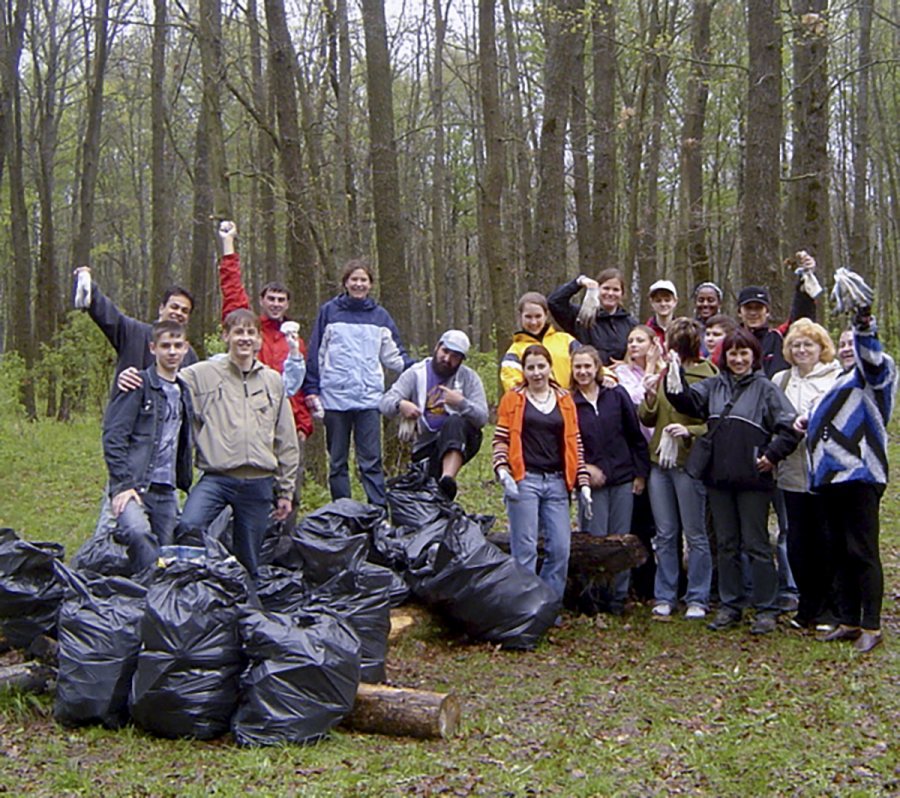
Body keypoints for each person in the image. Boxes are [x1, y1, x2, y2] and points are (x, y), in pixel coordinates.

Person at [665, 327, 801, 635]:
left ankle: (766, 607)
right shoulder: (714, 385)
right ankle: (731, 604)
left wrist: (771, 455)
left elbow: (790, 427)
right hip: (719, 479)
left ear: (754, 356)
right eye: (732, 353)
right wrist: (673, 374)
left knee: (756, 545)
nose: (738, 359)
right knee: (725, 545)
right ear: (724, 357)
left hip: (754, 480)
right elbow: (686, 402)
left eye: (743, 353)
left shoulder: (766, 389)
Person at [177, 309, 300, 577]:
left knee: (250, 558)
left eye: (250, 333)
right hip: (217, 477)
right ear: (226, 336)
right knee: (189, 525)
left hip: (258, 482)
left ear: (258, 339)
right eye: (238, 332)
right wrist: (134, 376)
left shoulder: (272, 381)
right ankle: (194, 589)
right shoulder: (202, 374)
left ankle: (248, 609)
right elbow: (164, 377)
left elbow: (286, 439)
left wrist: (285, 491)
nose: (244, 338)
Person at [803, 307, 896, 653]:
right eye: (841, 343)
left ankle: (871, 625)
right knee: (838, 550)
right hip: (829, 478)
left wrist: (863, 327)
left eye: (850, 343)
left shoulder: (875, 374)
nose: (846, 348)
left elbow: (871, 356)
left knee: (862, 550)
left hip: (860, 473)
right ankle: (848, 619)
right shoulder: (838, 381)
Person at [303, 259, 414, 506]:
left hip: (369, 400)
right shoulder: (329, 313)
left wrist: (417, 367)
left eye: (363, 280)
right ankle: (343, 513)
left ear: (370, 285)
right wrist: (312, 388)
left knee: (371, 461)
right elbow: (316, 354)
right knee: (337, 461)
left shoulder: (380, 316)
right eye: (354, 279)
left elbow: (393, 356)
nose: (358, 284)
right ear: (345, 283)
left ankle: (377, 513)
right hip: (335, 399)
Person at [492, 345, 590, 600]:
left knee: (559, 549)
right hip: (525, 481)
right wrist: (503, 470)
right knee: (525, 551)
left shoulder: (564, 399)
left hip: (557, 483)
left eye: (541, 366)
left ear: (549, 367)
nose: (536, 373)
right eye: (530, 368)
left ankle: (548, 604)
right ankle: (524, 608)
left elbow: (574, 442)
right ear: (524, 371)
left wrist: (583, 482)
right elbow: (501, 439)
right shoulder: (513, 399)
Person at [640, 318, 718, 619]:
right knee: (666, 532)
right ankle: (665, 594)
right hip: (660, 463)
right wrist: (648, 396)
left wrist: (691, 432)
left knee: (695, 533)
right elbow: (649, 418)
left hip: (689, 464)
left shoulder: (709, 375)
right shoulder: (663, 373)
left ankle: (697, 596)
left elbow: (715, 422)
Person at [101, 321, 194, 572]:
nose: (172, 352)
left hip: (167, 490)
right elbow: (114, 436)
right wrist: (122, 484)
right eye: (165, 346)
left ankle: (152, 603)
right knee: (138, 534)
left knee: (165, 556)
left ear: (186, 348)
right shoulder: (137, 385)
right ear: (153, 348)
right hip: (135, 484)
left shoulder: (184, 392)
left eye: (177, 345)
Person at [771, 320, 842, 630]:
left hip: (826, 473)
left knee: (826, 539)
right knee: (797, 540)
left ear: (821, 349)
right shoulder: (781, 379)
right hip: (791, 472)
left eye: (808, 345)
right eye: (796, 345)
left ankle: (831, 608)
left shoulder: (836, 378)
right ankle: (807, 606)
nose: (801, 350)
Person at [217, 221, 313, 446]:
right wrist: (228, 243)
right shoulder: (249, 332)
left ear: (288, 304)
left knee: (286, 478)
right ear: (261, 301)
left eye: (281, 300)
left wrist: (302, 423)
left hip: (283, 421)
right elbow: (232, 292)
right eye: (271, 299)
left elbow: (296, 386)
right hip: (246, 416)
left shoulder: (295, 342)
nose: (276, 304)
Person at [571, 346, 649, 614]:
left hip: (623, 477)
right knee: (595, 539)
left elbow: (634, 435)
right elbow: (568, 446)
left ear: (597, 368)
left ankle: (618, 596)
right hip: (591, 484)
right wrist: (583, 469)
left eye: (587, 366)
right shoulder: (569, 403)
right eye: (577, 367)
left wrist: (640, 473)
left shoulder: (616, 395)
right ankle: (595, 596)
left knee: (620, 540)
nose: (582, 372)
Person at [380, 330, 488, 500]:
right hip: (425, 444)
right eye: (445, 352)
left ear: (461, 360)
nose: (447, 359)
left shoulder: (469, 378)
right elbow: (385, 403)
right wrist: (401, 404)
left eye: (455, 357)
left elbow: (482, 418)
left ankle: (448, 478)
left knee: (454, 421)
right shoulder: (416, 373)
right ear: (437, 347)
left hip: (462, 439)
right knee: (427, 496)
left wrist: (461, 402)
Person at [73, 266, 198, 389]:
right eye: (174, 307)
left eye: (185, 311)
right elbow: (110, 317)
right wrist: (89, 288)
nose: (179, 313)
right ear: (161, 308)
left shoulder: (188, 354)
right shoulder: (135, 333)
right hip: (131, 407)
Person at [548, 269, 638, 365]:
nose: (610, 293)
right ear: (598, 290)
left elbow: (639, 354)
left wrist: (626, 364)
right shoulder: (581, 317)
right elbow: (554, 302)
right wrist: (579, 282)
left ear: (622, 294)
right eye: (606, 288)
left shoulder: (630, 323)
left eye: (615, 290)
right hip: (586, 375)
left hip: (621, 377)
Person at [500, 292, 582, 392]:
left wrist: (604, 375)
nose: (533, 322)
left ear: (546, 315)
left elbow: (589, 364)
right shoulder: (514, 352)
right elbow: (513, 387)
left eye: (538, 316)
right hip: (539, 404)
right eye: (528, 317)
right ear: (520, 317)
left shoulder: (566, 340)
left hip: (573, 403)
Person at [646, 280, 678, 349]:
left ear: (675, 301)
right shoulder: (646, 331)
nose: (663, 304)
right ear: (651, 303)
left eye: (667, 300)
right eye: (658, 300)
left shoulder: (682, 330)